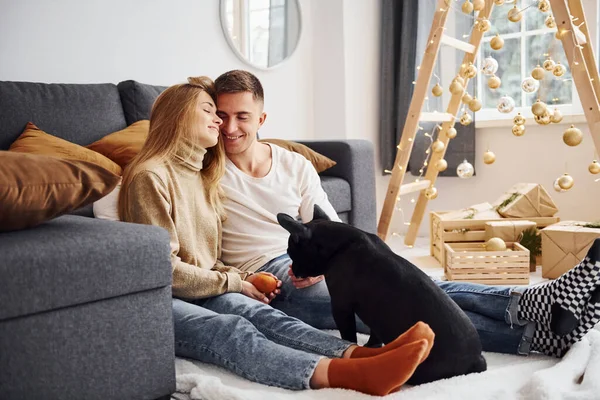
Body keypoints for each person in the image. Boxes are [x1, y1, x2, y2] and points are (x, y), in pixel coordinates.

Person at [214, 69, 600, 359]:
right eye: (222, 116)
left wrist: (324, 263)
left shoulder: (293, 164)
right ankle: (541, 327)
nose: (230, 127)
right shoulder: (205, 172)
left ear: (261, 120)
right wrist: (241, 280)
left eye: (242, 116)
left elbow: (328, 226)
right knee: (389, 310)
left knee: (417, 283)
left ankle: (533, 303)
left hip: (314, 259)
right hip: (272, 277)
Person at [118, 76, 434, 396]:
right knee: (232, 329)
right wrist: (238, 281)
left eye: (234, 116)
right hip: (159, 297)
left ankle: (364, 356)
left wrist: (241, 279)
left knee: (260, 314)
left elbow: (209, 260)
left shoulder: (199, 174)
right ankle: (344, 374)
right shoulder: (152, 175)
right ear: (181, 116)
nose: (221, 123)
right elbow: (165, 270)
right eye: (211, 112)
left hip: (202, 285)